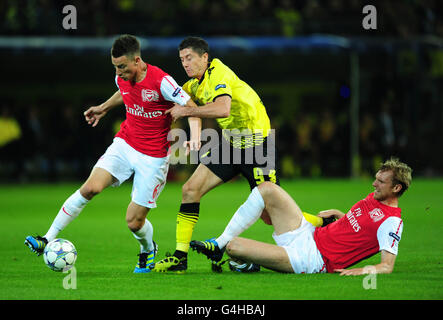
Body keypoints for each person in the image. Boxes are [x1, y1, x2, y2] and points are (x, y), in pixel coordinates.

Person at [24, 34, 201, 273]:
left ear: (137, 61)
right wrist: (103, 108)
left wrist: (195, 135)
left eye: (122, 67)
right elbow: (123, 91)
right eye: (115, 67)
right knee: (89, 188)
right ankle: (47, 237)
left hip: (153, 157)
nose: (118, 73)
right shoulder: (122, 76)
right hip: (125, 144)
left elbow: (192, 107)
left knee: (134, 222)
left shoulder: (162, 81)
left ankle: (148, 249)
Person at [151, 36, 329, 273]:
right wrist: (194, 133)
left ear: (205, 57)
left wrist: (188, 111)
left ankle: (324, 223)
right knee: (190, 190)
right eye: (182, 59)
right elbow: (186, 104)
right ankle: (180, 258)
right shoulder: (193, 84)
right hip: (231, 144)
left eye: (189, 58)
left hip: (258, 145)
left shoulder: (219, 72)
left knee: (268, 214)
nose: (185, 63)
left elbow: (222, 108)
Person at [191, 157, 412, 275]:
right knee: (266, 188)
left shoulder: (392, 222)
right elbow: (363, 227)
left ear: (396, 189)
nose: (374, 183)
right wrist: (340, 214)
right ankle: (218, 244)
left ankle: (246, 262)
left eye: (381, 182)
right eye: (376, 178)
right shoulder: (375, 198)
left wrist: (361, 271)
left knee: (235, 246)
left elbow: (387, 266)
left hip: (312, 259)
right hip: (309, 232)